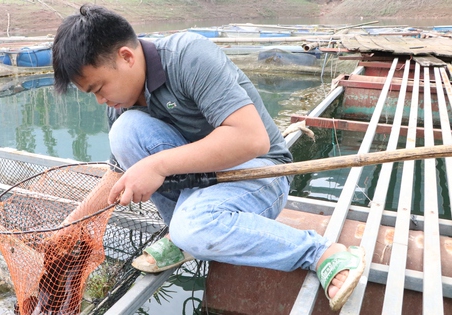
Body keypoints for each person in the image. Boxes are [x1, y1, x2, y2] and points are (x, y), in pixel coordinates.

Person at [52, 4, 365, 311]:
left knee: (194, 227)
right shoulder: (119, 105)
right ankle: (181, 235)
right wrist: (68, 227)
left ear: (126, 57)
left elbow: (250, 139)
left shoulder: (188, 55)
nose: (100, 100)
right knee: (125, 131)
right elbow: (118, 173)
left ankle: (320, 252)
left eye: (99, 87)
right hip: (203, 183)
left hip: (258, 174)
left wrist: (157, 165)